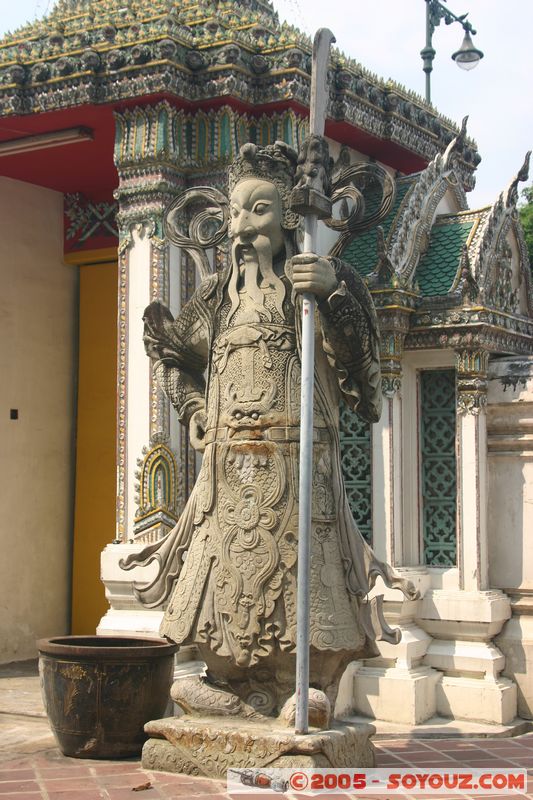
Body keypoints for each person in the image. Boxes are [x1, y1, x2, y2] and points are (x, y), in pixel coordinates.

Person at [121, 140, 415, 720]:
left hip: (297, 472)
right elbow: (169, 354)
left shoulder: (326, 284)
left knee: (304, 583)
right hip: (228, 481)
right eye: (235, 212)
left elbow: (366, 383)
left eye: (258, 211)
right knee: (223, 587)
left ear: (288, 218)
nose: (241, 227)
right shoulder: (217, 297)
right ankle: (229, 684)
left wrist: (331, 295)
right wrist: (196, 409)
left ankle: (302, 687)